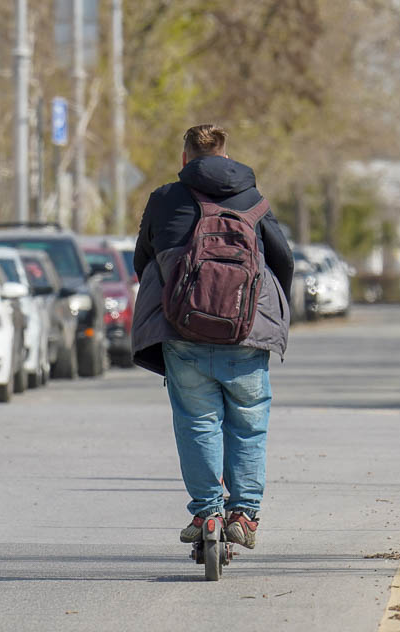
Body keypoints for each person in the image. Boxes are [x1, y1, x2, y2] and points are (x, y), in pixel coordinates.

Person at [131, 124, 293, 550]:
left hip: (184, 330)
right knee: (249, 423)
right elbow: (284, 260)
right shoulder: (253, 199)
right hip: (247, 332)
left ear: (186, 158)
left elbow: (142, 260)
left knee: (197, 422)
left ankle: (206, 513)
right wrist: (268, 315)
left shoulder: (165, 199)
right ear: (226, 155)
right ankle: (244, 514)